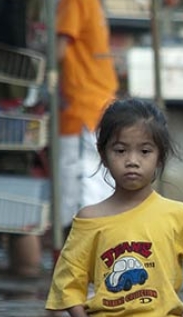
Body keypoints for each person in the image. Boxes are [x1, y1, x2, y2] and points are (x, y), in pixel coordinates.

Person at [45, 99, 183, 317]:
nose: (132, 161)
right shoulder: (89, 219)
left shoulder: (180, 216)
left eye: (145, 151)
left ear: (160, 155)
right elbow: (67, 284)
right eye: (120, 150)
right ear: (103, 154)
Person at [56, 0, 119, 231]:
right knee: (97, 184)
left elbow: (59, 50)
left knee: (81, 189)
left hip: (81, 108)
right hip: (97, 106)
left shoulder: (75, 2)